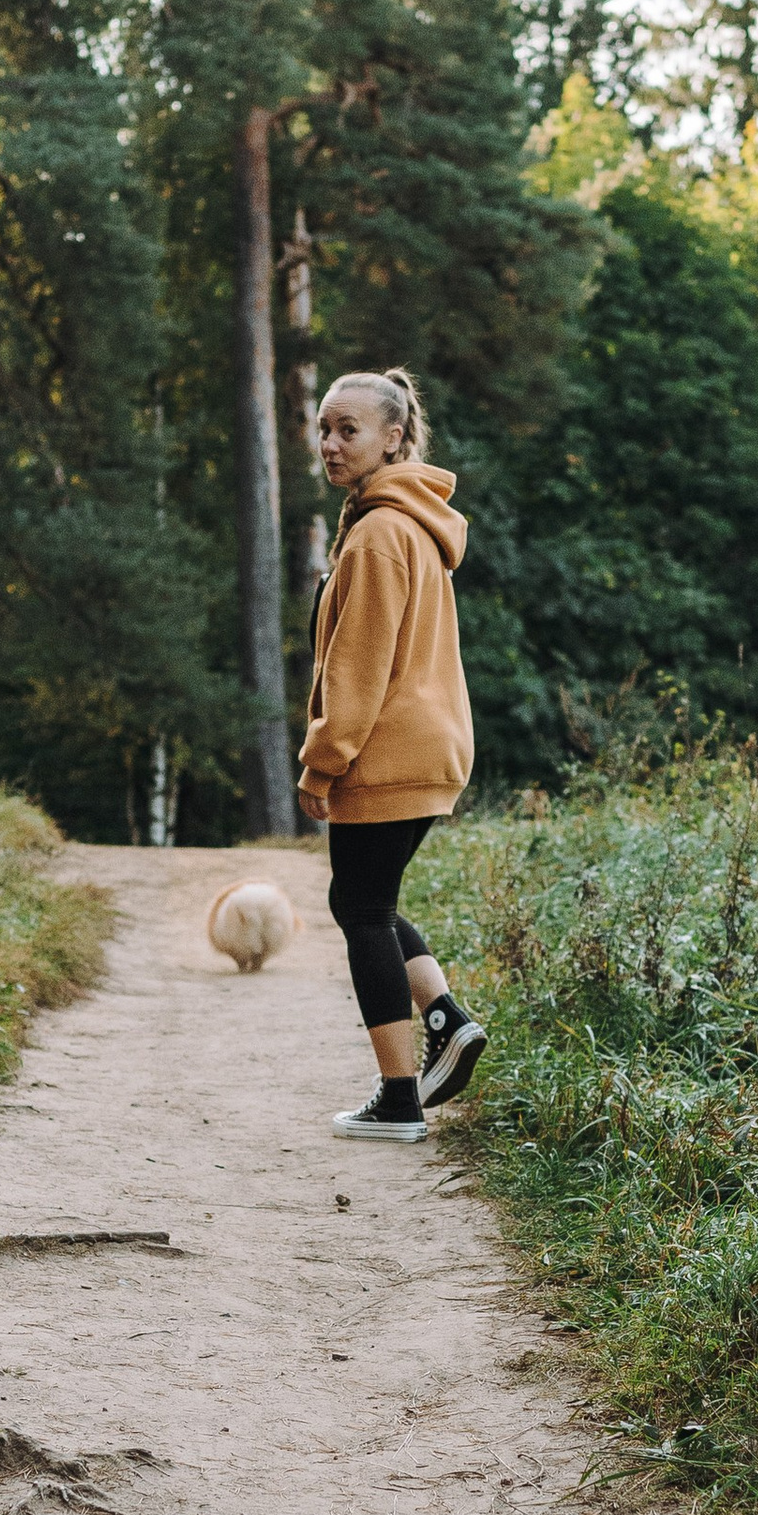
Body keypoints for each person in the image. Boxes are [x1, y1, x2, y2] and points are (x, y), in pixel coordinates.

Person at [298, 364, 487, 1145]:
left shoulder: (378, 533)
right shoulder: (406, 523)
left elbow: (359, 664)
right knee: (363, 902)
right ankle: (447, 1021)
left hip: (387, 751)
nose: (331, 444)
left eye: (349, 429)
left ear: (394, 438)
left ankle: (400, 1097)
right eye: (323, 429)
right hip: (430, 747)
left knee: (364, 910)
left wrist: (323, 759)